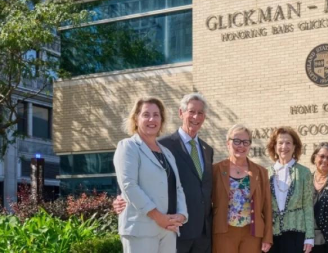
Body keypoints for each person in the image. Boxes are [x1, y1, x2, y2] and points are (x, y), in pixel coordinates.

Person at [114, 93, 214, 253]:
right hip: (165, 229)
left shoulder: (206, 150)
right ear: (181, 113)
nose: (196, 116)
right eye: (191, 111)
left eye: (200, 113)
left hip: (192, 229)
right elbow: (128, 182)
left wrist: (182, 215)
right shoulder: (161, 143)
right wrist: (119, 198)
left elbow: (195, 187)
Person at [211, 124, 273, 253]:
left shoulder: (260, 172)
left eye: (246, 142)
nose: (241, 146)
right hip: (224, 231)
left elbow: (267, 207)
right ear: (228, 143)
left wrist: (267, 236)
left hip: (252, 232)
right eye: (237, 141)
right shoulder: (215, 170)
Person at [266, 126, 315, 253]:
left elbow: (308, 206)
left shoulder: (304, 172)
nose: (284, 147)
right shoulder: (266, 173)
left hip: (296, 232)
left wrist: (309, 236)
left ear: (294, 147)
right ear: (274, 146)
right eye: (280, 143)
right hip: (271, 233)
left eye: (288, 143)